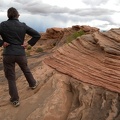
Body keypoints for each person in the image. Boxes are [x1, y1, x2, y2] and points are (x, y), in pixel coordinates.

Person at [0, 7, 41, 107]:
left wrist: (2, 43)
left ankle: (15, 100)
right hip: (20, 53)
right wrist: (28, 44)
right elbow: (37, 35)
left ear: (8, 15)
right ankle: (33, 84)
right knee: (26, 69)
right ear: (17, 15)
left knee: (11, 77)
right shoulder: (22, 25)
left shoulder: (3, 25)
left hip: (8, 53)